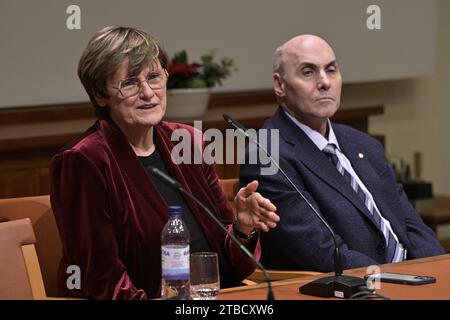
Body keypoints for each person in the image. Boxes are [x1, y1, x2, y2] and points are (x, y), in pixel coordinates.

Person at [50, 26, 279, 300]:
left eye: (154, 77)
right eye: (130, 83)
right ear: (101, 95)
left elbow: (231, 267)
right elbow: (102, 280)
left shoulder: (189, 142)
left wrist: (242, 229)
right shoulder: (84, 160)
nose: (148, 93)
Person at [239, 34, 444, 272]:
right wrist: (399, 278)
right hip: (357, 289)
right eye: (308, 72)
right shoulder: (267, 154)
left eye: (332, 70)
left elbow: (409, 225)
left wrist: (437, 270)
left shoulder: (363, 144)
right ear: (279, 85)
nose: (325, 82)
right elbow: (323, 253)